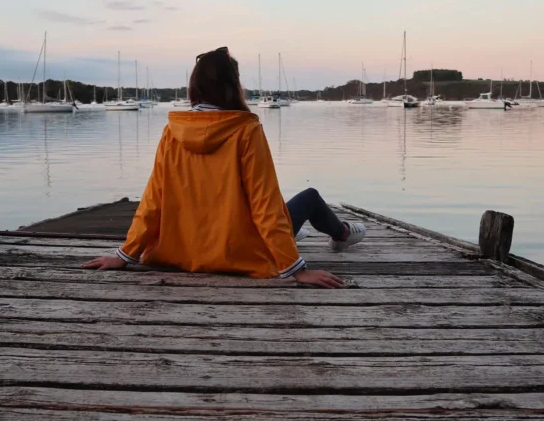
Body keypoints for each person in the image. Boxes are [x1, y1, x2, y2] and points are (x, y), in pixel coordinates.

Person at [82, 47, 366, 288]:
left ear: (195, 86)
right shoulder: (246, 130)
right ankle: (341, 234)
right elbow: (264, 204)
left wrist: (125, 255)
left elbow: (152, 201)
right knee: (310, 197)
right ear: (233, 86)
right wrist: (296, 269)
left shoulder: (173, 131)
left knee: (284, 213)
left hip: (182, 250)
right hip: (237, 251)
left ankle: (300, 234)